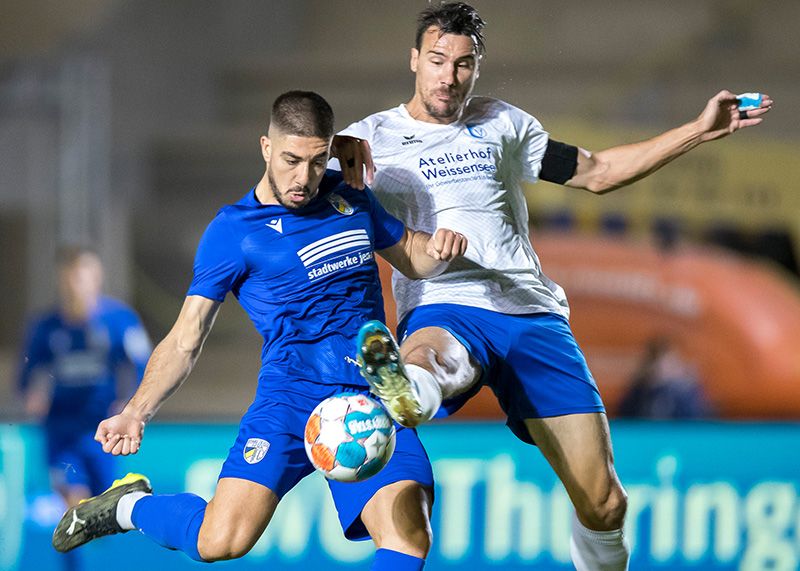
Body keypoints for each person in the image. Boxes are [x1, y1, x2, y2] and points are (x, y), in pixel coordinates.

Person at [332, 3, 772, 570]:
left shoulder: (504, 124)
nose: (449, 76)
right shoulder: (366, 141)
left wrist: (699, 130)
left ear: (477, 68)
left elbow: (599, 173)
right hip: (446, 304)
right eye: (437, 60)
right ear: (415, 59)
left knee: (606, 504)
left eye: (463, 64)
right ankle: (408, 388)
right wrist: (328, 160)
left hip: (531, 315)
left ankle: (416, 391)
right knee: (433, 361)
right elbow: (301, 186)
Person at [51, 90, 467, 571]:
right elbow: (186, 338)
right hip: (289, 398)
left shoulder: (349, 195)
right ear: (266, 147)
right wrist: (135, 411)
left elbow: (412, 258)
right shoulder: (232, 233)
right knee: (220, 542)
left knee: (408, 537)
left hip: (373, 392)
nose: (303, 177)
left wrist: (437, 251)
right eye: (291, 159)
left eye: (316, 161)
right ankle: (127, 506)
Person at [18, 246, 151, 571]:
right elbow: (26, 372)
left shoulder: (119, 321)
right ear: (63, 280)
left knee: (97, 520)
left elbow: (142, 364)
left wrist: (130, 404)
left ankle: (100, 517)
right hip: (61, 429)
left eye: (84, 275)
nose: (77, 283)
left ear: (97, 277)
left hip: (102, 430)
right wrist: (31, 395)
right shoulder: (46, 326)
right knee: (71, 507)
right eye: (71, 276)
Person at [618, 337, 713, 419]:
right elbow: (626, 416)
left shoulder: (687, 391)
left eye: (669, 363)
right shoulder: (639, 390)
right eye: (656, 363)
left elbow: (695, 420)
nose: (661, 368)